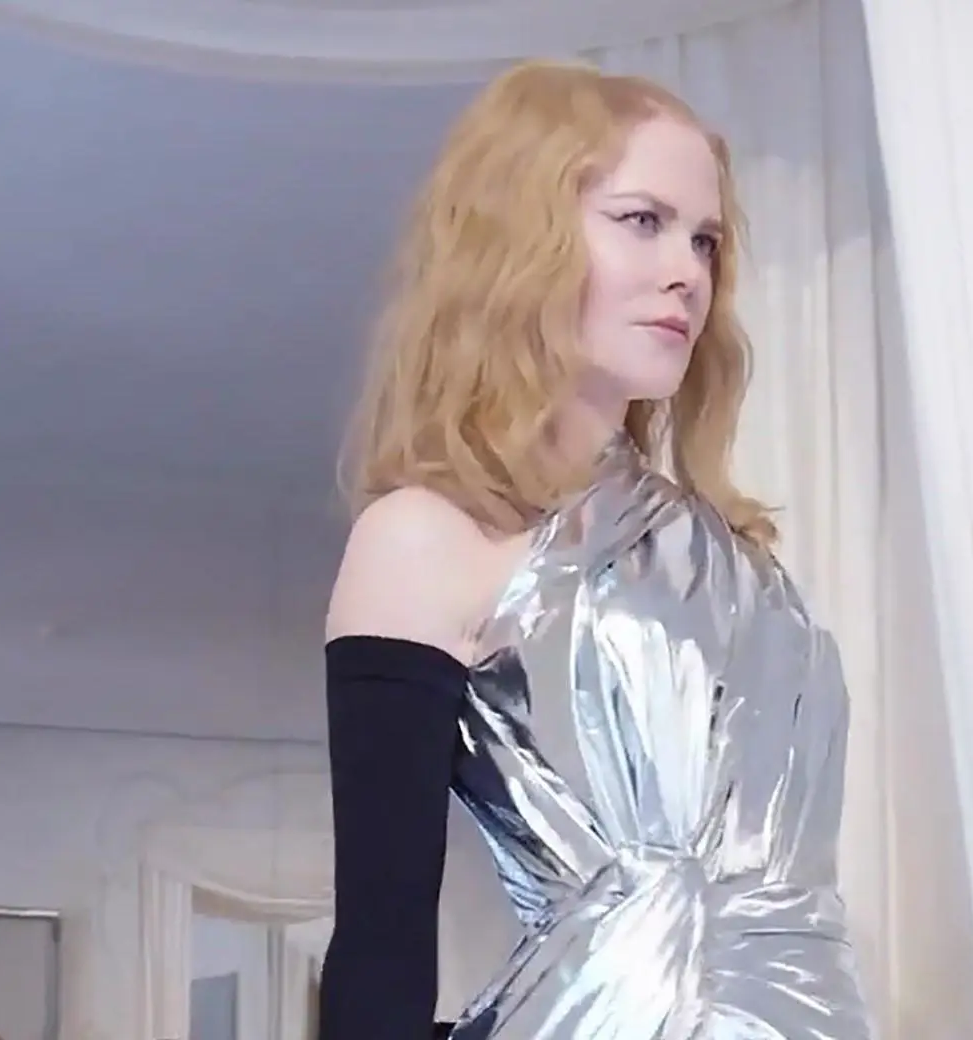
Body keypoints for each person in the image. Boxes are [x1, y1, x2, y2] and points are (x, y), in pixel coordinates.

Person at [319, 58, 876, 1040]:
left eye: (704, 239)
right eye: (640, 220)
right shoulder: (427, 540)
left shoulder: (743, 567)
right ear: (519, 238)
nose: (687, 272)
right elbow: (381, 943)